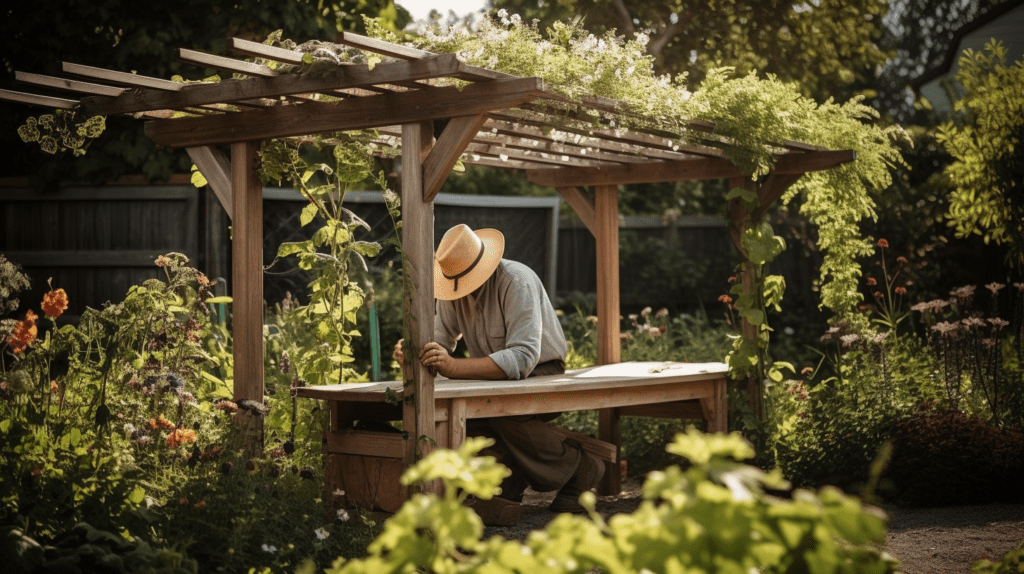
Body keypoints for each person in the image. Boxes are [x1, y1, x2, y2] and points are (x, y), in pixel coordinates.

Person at [394, 224, 604, 521]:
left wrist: (453, 366)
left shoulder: (516, 281)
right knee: (463, 419)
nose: (463, 287)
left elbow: (523, 357)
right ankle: (506, 485)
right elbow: (438, 341)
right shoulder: (454, 287)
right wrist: (414, 354)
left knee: (503, 411)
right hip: (491, 375)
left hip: (542, 369)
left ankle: (580, 468)